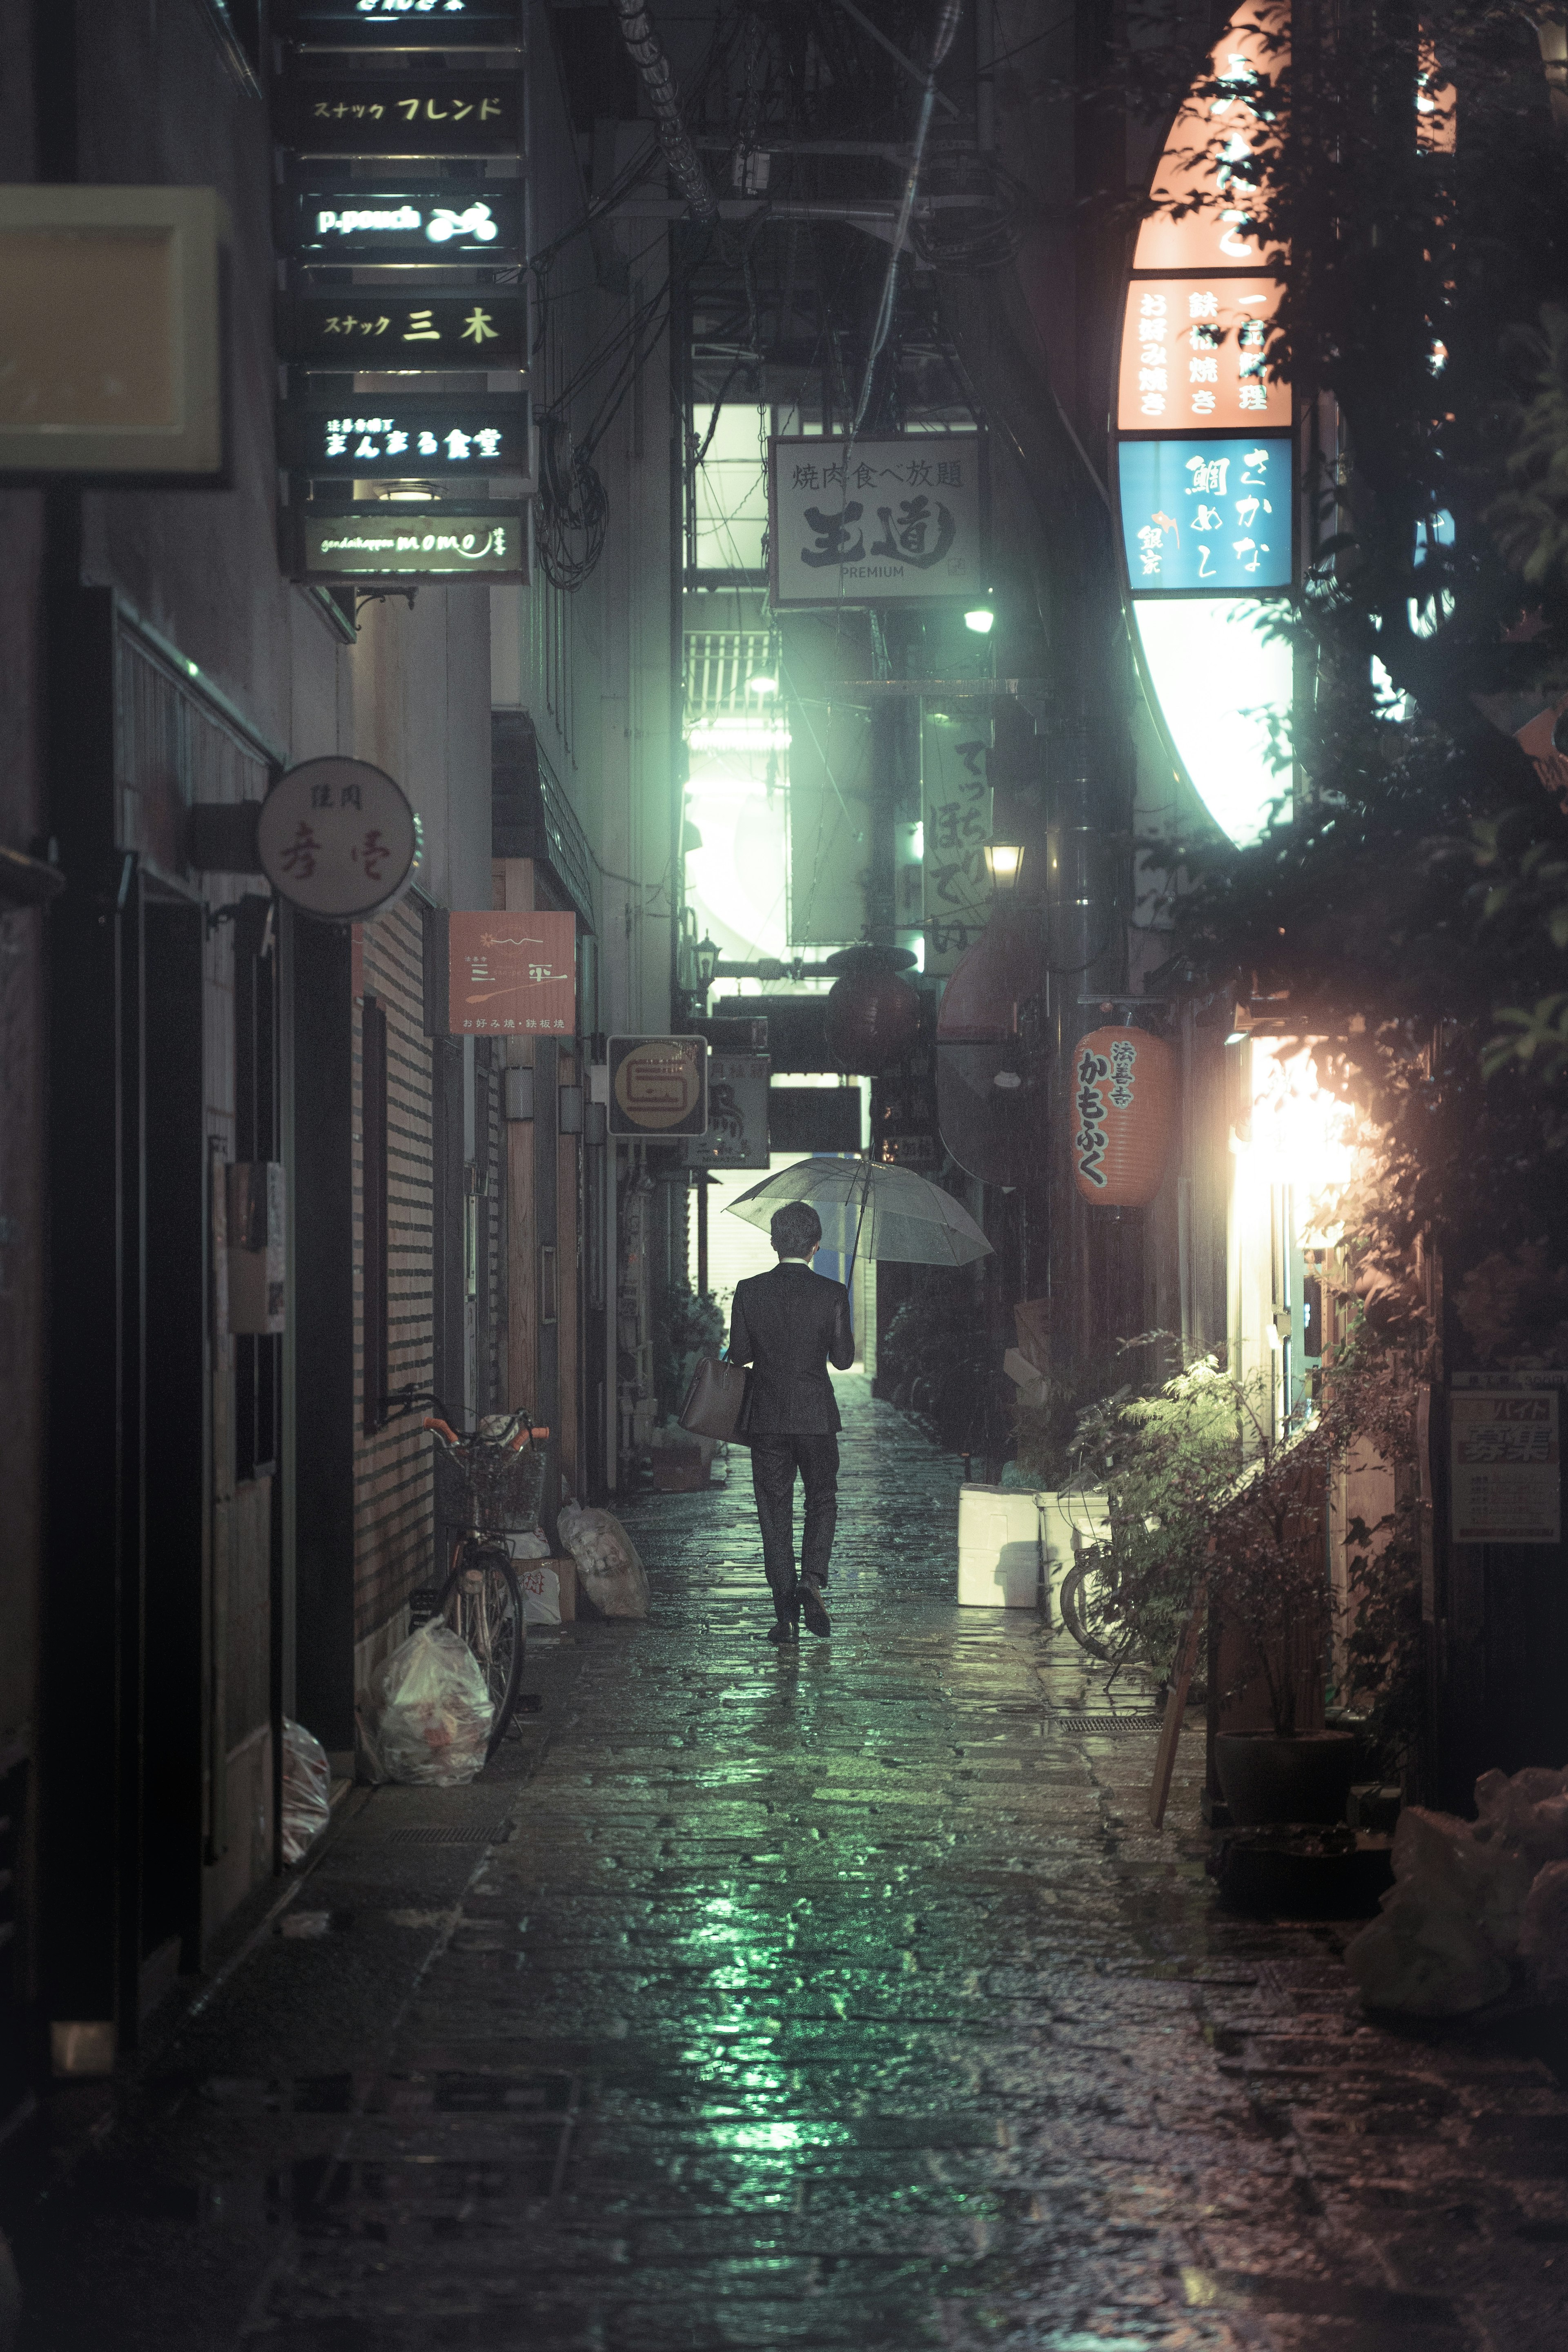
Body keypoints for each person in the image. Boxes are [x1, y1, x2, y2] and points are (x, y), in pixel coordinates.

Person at [727, 1200, 855, 1643]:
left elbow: (740, 1355)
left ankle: (785, 1617)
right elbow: (843, 1361)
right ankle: (812, 1580)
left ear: (774, 1242)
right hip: (817, 1418)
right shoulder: (833, 1292)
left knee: (774, 1511)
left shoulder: (749, 1290)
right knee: (822, 1499)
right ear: (816, 1245)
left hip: (767, 1418)